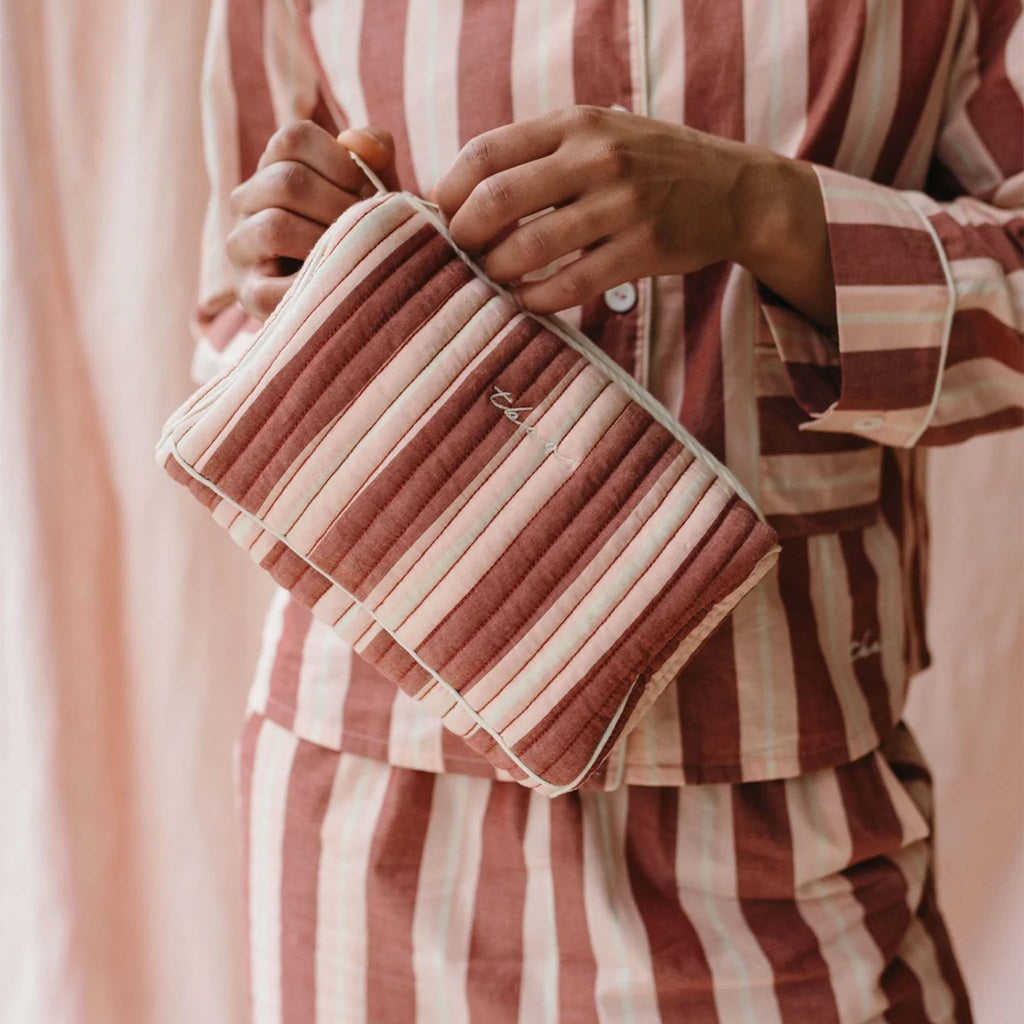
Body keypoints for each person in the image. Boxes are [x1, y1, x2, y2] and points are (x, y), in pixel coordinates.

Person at [191, 1, 1022, 1021]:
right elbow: (230, 315)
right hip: (375, 799)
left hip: (781, 799)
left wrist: (760, 208)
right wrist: (294, 268)